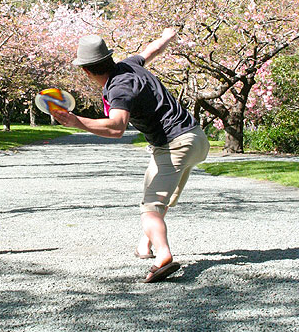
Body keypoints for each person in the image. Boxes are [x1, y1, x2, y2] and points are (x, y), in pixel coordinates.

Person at [51, 28, 210, 283]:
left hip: (174, 144)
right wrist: (168, 35)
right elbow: (152, 50)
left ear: (86, 71)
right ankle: (144, 247)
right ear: (109, 59)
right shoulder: (128, 65)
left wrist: (76, 121)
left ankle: (163, 255)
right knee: (159, 196)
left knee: (150, 209)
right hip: (197, 138)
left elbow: (116, 127)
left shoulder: (118, 89)